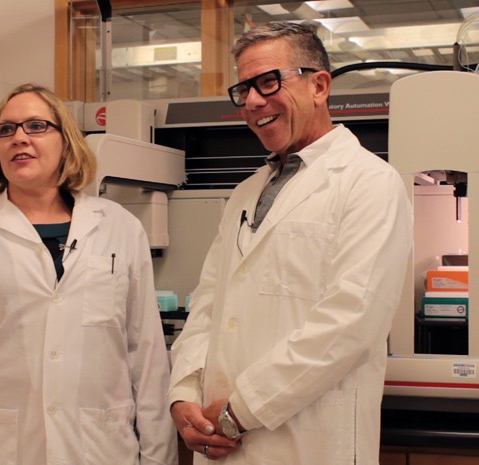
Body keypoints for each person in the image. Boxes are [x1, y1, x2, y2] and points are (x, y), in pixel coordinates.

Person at [168, 21, 412, 465]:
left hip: (309, 443)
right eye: (245, 89)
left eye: (268, 82)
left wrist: (240, 412)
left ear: (319, 85)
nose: (254, 101)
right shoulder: (246, 192)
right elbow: (208, 304)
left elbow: (352, 323)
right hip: (220, 442)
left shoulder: (370, 183)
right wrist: (184, 394)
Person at [0, 83, 178, 465]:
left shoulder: (120, 227)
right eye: (6, 129)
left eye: (36, 126)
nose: (19, 138)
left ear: (66, 141)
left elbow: (147, 358)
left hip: (100, 449)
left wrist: (157, 457)